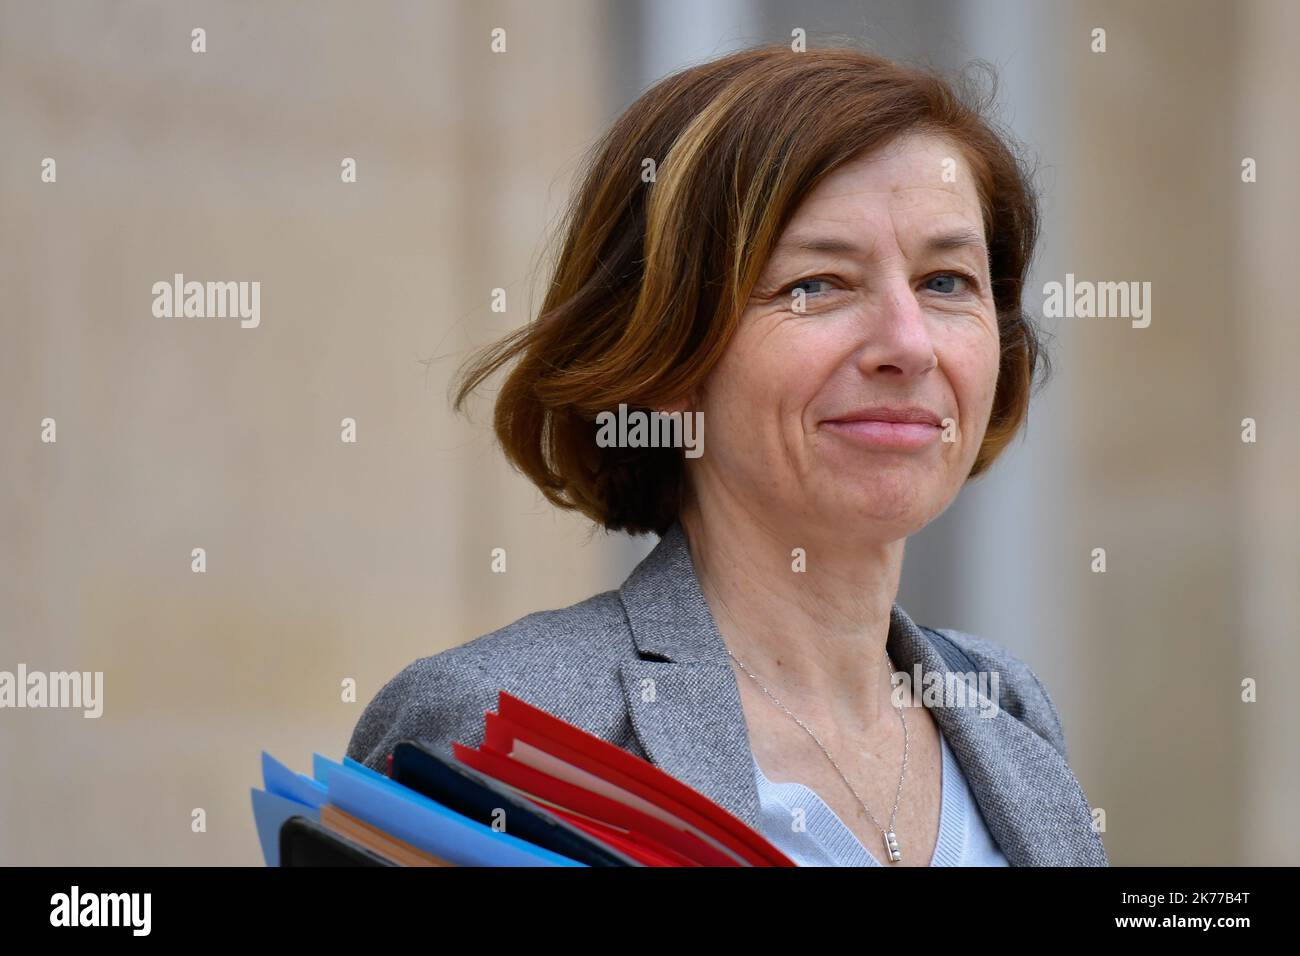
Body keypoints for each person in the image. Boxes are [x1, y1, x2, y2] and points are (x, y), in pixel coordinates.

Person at [347, 43, 1108, 867]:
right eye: (816, 284)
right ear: (669, 362)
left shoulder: (1005, 710)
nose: (909, 345)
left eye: (946, 282)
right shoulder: (505, 727)